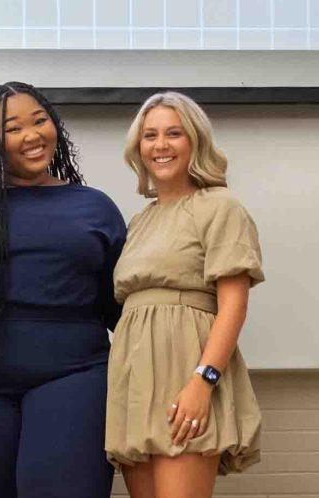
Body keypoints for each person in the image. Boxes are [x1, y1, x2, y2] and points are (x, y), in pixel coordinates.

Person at [0, 82, 126, 498]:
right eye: (13, 127)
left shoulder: (96, 207)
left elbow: (119, 309)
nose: (32, 135)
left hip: (76, 376)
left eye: (40, 121)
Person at [106, 92, 265, 498]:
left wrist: (203, 381)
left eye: (174, 133)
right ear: (137, 149)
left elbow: (233, 305)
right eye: (150, 136)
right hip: (134, 379)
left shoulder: (220, 207)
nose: (160, 145)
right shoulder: (140, 221)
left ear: (195, 141)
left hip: (187, 374)